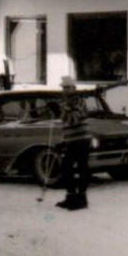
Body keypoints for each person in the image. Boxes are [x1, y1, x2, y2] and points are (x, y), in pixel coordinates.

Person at [56, 77, 92, 211]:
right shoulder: (66, 102)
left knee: (81, 168)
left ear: (73, 88)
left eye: (68, 87)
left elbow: (73, 119)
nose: (65, 90)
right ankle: (71, 196)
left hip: (81, 138)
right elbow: (65, 122)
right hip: (71, 139)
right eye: (64, 88)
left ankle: (81, 199)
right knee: (66, 168)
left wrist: (59, 112)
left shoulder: (80, 101)